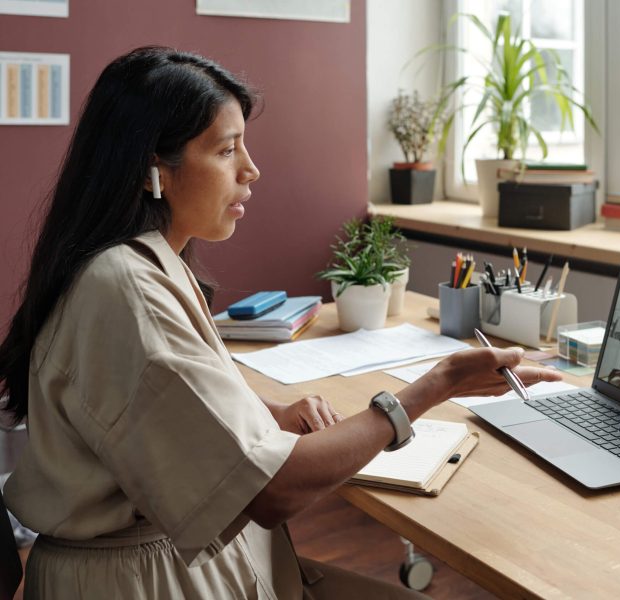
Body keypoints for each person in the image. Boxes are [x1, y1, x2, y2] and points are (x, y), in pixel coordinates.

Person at [0, 47, 561, 599]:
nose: (251, 169)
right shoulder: (126, 288)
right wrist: (436, 386)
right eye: (226, 150)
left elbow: (161, 403)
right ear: (156, 168)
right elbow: (273, 492)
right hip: (144, 582)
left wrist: (268, 413)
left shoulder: (134, 265)